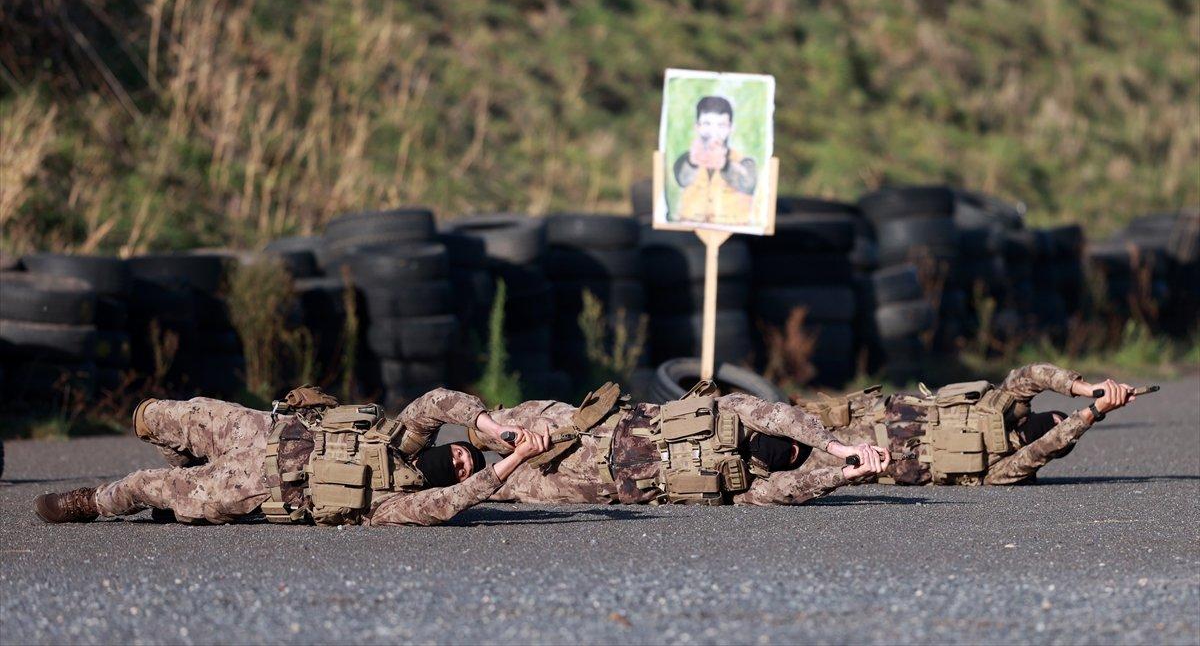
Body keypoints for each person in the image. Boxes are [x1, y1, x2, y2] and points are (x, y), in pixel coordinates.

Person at [33, 387, 550, 526]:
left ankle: (91, 502)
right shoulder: (402, 438)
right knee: (161, 415)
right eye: (461, 455)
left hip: (259, 484)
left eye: (462, 470)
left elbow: (454, 502)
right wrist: (494, 429)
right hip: (267, 429)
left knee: (147, 488)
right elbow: (438, 403)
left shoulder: (396, 504)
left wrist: (511, 463)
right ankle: (185, 462)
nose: (461, 463)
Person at [398, 382, 891, 509]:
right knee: (517, 429)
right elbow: (782, 415)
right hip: (587, 439)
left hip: (596, 479)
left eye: (787, 460)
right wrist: (835, 448)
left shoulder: (747, 485)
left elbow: (781, 493)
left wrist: (837, 473)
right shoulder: (735, 413)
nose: (780, 454)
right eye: (785, 447)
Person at [793, 363, 1141, 486]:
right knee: (783, 416)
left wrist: (1094, 412)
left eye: (1053, 428)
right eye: (1047, 420)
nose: (1044, 428)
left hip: (868, 456)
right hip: (861, 414)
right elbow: (1034, 374)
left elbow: (1043, 448)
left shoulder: (1005, 468)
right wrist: (1086, 389)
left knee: (782, 461)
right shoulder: (1007, 404)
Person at [673, 95, 757, 225]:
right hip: (690, 231)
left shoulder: (743, 161)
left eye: (721, 125)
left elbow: (749, 183)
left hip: (732, 233)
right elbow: (681, 178)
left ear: (731, 128)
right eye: (707, 124)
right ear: (697, 126)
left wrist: (726, 165)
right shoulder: (687, 159)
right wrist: (692, 162)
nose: (714, 131)